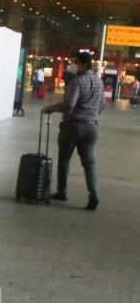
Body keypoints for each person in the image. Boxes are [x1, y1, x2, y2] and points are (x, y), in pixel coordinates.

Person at [42, 51, 105, 210]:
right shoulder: (99, 81)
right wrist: (92, 115)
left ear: (83, 64)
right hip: (91, 127)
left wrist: (50, 108)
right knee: (89, 162)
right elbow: (102, 105)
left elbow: (69, 105)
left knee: (64, 159)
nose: (72, 65)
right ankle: (94, 194)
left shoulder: (77, 81)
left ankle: (62, 191)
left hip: (73, 126)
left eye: (75, 62)